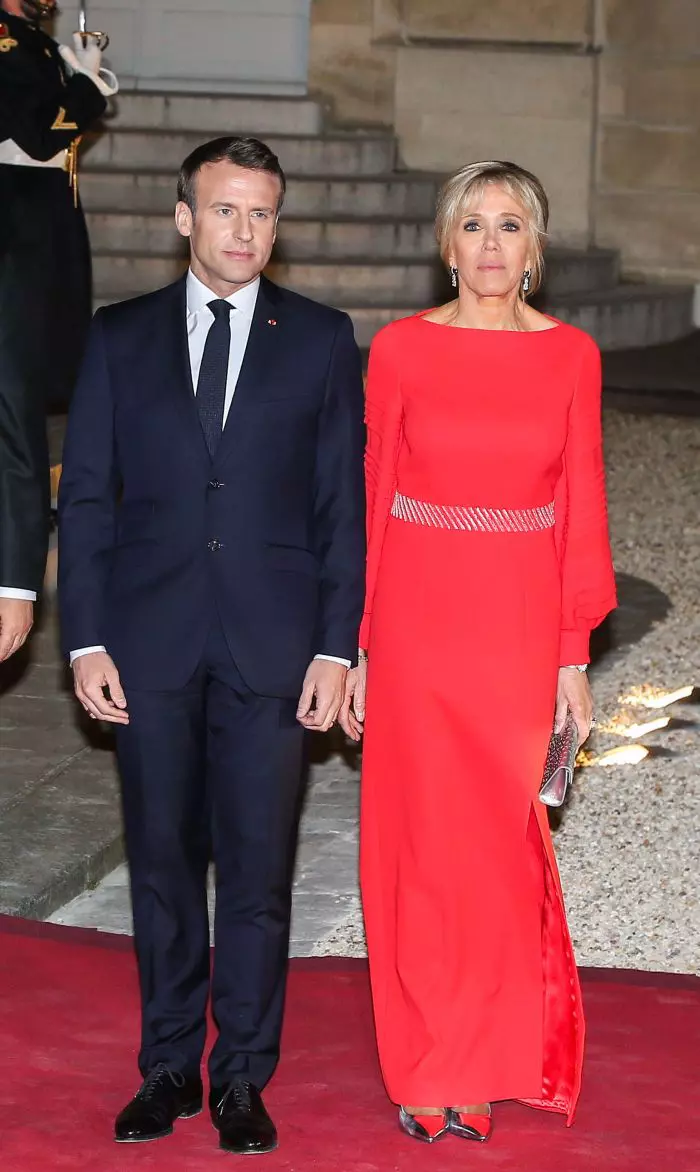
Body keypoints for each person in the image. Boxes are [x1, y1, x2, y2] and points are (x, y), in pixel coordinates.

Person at [58, 135, 365, 1154]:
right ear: (184, 215)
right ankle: (167, 1065)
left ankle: (241, 1074)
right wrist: (84, 637)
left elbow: (341, 508)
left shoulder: (321, 340)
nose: (244, 229)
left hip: (274, 647)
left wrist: (335, 646)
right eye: (226, 209)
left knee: (259, 870)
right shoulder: (119, 337)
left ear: (278, 225)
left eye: (262, 212)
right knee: (158, 863)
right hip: (146, 643)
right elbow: (89, 501)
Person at [340, 160, 616, 1144]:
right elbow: (371, 502)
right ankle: (424, 1061)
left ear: (534, 248)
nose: (490, 245)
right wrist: (360, 643)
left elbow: (580, 500)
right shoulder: (402, 349)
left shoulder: (571, 356)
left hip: (514, 623)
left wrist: (570, 650)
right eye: (471, 225)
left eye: (509, 225)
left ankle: (485, 1059)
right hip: (416, 622)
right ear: (444, 243)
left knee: (497, 850)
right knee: (415, 846)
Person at [0, 0, 117, 660]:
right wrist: (86, 89)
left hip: (38, 234)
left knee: (33, 390)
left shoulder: (30, 39)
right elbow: (39, 131)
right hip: (13, 233)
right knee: (14, 400)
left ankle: (17, 516)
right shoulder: (6, 38)